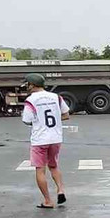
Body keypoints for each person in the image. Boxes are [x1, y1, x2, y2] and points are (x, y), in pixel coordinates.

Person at [21, 73, 69, 209]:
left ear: (32, 85)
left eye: (27, 84)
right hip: (56, 138)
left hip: (40, 140)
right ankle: (60, 190)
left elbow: (27, 120)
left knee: (40, 170)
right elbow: (66, 114)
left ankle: (48, 201)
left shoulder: (31, 100)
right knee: (53, 166)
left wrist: (38, 122)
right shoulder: (56, 97)